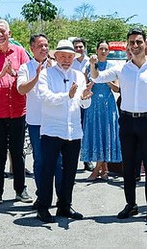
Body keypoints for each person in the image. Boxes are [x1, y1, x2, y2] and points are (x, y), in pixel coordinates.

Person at [90, 28, 147, 222]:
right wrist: (93, 65)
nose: (135, 45)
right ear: (128, 45)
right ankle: (131, 204)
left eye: (139, 42)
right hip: (126, 120)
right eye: (132, 42)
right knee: (128, 166)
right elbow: (97, 77)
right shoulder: (121, 68)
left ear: (146, 44)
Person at [35, 40, 93, 223]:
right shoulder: (46, 74)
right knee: (48, 171)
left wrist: (84, 97)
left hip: (73, 131)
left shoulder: (79, 75)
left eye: (70, 57)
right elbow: (45, 97)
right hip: (52, 130)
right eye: (63, 56)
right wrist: (66, 96)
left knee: (70, 172)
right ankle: (43, 207)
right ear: (56, 56)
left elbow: (84, 103)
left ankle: (65, 206)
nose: (67, 60)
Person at [0, 19, 32, 204]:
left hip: (18, 110)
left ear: (9, 33)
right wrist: (1, 74)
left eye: (3, 31)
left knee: (18, 152)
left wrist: (14, 74)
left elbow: (28, 76)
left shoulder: (20, 52)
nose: (0, 34)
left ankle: (20, 189)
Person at [17, 34, 63, 207]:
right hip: (36, 121)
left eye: (46, 45)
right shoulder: (25, 67)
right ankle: (42, 196)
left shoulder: (57, 67)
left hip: (55, 120)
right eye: (40, 46)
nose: (44, 49)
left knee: (58, 160)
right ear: (32, 49)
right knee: (40, 160)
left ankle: (61, 197)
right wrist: (37, 76)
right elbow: (21, 89)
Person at [81, 41, 122, 181]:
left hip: (107, 104)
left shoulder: (113, 67)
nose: (103, 51)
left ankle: (96, 170)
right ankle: (103, 169)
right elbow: (85, 85)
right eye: (101, 49)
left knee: (106, 134)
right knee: (96, 134)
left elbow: (117, 89)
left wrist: (106, 80)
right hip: (93, 104)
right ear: (97, 50)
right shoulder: (89, 65)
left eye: (106, 49)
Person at [71, 37, 94, 173]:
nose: (78, 49)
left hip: (87, 98)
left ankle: (87, 159)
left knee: (87, 129)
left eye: (81, 47)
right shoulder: (70, 61)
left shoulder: (90, 62)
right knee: (75, 128)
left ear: (85, 48)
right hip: (73, 99)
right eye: (76, 47)